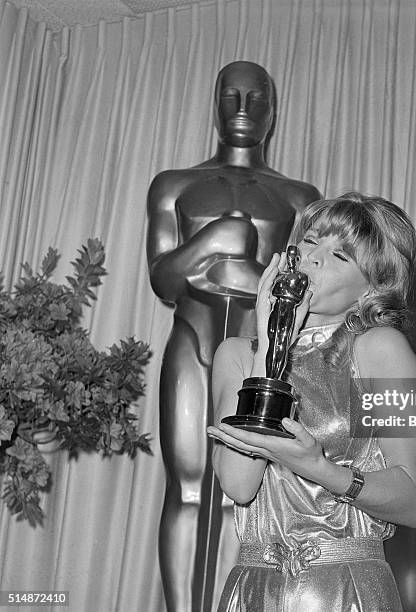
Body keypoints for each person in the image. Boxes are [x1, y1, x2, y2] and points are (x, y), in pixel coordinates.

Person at [146, 60, 321, 611]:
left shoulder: (298, 197)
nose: (243, 110)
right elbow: (165, 279)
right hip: (190, 344)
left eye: (256, 99)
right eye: (231, 96)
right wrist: (219, 239)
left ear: (272, 110)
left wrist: (241, 271)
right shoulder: (175, 184)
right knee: (188, 487)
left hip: (256, 355)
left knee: (238, 494)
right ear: (215, 102)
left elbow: (298, 292)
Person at [207, 192, 416, 611]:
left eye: (341, 256)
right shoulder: (237, 354)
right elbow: (238, 485)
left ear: (372, 289)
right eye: (310, 241)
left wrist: (319, 469)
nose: (314, 258)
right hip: (254, 588)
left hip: (346, 588)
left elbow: (414, 501)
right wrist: (269, 351)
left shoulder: (381, 349)